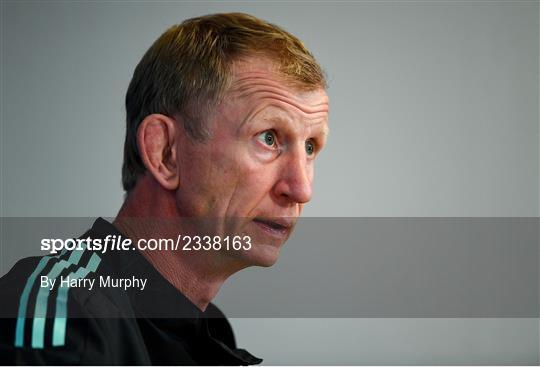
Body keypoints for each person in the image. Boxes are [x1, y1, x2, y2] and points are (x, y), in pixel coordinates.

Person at [0, 12, 329, 365]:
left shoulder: (210, 331)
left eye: (310, 146)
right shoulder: (60, 313)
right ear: (165, 153)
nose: (301, 188)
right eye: (268, 138)